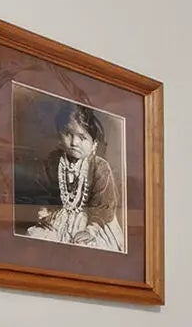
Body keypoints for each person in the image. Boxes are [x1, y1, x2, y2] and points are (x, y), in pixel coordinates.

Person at [20, 102, 124, 252]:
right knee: (37, 239)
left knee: (85, 248)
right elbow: (41, 189)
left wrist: (91, 230)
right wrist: (42, 210)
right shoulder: (53, 162)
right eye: (68, 134)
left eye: (82, 137)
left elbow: (104, 205)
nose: (74, 142)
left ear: (94, 144)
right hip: (60, 217)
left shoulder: (99, 167)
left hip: (94, 222)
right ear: (59, 136)